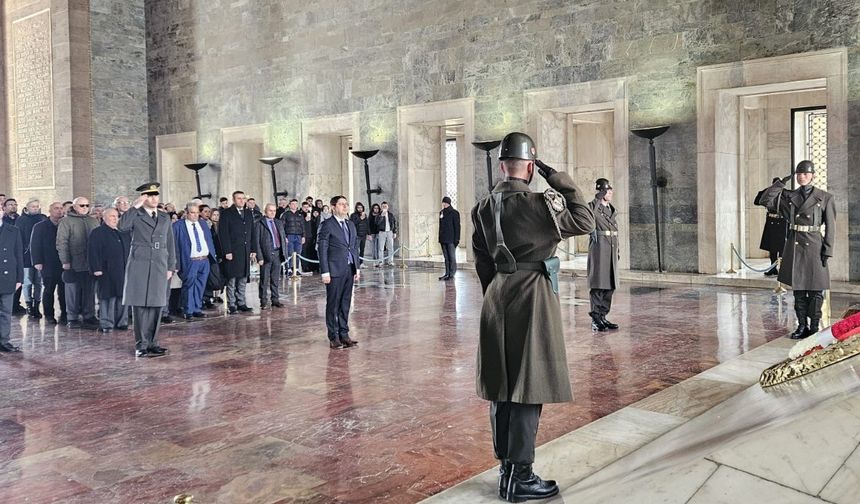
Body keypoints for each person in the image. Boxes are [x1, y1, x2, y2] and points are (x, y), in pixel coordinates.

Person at [471, 132, 594, 501]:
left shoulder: (482, 207)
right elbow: (585, 220)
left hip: (497, 296)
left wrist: (497, 294)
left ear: (501, 166)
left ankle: (506, 470)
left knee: (501, 387)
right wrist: (555, 176)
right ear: (529, 167)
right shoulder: (539, 203)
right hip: (533, 296)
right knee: (528, 386)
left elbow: (481, 262)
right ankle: (521, 477)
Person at [755, 160, 835, 339]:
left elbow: (831, 227)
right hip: (795, 244)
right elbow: (764, 200)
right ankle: (802, 326)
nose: (802, 177)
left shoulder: (825, 197)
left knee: (815, 289)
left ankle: (814, 326)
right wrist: (780, 183)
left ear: (813, 175)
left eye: (805, 174)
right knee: (798, 290)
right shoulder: (789, 196)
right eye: (799, 174)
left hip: (815, 245)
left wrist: (828, 250)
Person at [120, 182, 176, 358]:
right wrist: (134, 206)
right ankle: (141, 345)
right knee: (140, 306)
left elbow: (170, 243)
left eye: (155, 195)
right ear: (143, 198)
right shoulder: (135, 214)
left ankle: (153, 343)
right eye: (149, 196)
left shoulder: (164, 217)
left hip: (159, 264)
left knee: (157, 305)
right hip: (140, 264)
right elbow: (122, 226)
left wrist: (171, 266)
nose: (153, 199)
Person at [319, 195, 360, 349]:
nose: (345, 206)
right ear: (333, 207)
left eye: (346, 204)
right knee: (333, 304)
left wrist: (356, 267)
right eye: (341, 204)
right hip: (334, 270)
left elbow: (354, 247)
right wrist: (325, 272)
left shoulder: (350, 224)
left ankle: (344, 334)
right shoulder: (327, 225)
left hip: (349, 269)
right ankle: (333, 336)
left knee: (345, 303)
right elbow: (322, 249)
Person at [56, 197, 100, 329]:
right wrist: (65, 261)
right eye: (82, 205)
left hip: (90, 263)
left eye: (87, 205)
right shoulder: (66, 221)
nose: (85, 208)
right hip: (73, 262)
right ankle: (72, 317)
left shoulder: (93, 221)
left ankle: (89, 315)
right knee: (72, 291)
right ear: (74, 207)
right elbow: (62, 242)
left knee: (89, 291)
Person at [87, 208, 131, 333]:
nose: (115, 219)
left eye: (117, 216)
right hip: (106, 271)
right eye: (112, 216)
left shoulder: (123, 232)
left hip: (123, 270)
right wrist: (96, 268)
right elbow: (93, 252)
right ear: (104, 217)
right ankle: (106, 323)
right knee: (107, 297)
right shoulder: (97, 232)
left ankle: (122, 322)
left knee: (122, 296)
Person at [587, 178, 620, 332]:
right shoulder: (594, 207)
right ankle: (595, 319)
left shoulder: (611, 210)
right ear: (601, 192)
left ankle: (603, 316)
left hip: (611, 251)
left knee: (609, 286)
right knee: (598, 285)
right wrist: (597, 199)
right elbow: (588, 214)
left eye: (611, 190)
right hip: (599, 251)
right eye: (607, 191)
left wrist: (617, 251)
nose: (610, 193)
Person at [173, 203, 217, 320]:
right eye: (192, 213)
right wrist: (176, 263)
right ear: (186, 213)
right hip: (190, 261)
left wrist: (212, 255)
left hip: (204, 260)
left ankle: (197, 309)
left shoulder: (202, 224)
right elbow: (174, 246)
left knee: (200, 285)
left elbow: (208, 240)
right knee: (189, 285)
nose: (195, 215)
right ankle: (188, 310)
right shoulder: (178, 226)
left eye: (197, 213)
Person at [219, 190, 256, 314]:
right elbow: (223, 234)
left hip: (245, 251)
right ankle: (232, 304)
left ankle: (241, 302)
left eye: (243, 198)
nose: (241, 200)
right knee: (232, 278)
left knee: (243, 278)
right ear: (234, 200)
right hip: (233, 251)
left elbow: (252, 232)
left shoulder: (248, 213)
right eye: (239, 198)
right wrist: (227, 251)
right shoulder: (226, 213)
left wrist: (253, 249)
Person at [31, 202, 67, 325]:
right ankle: (49, 315)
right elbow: (35, 244)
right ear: (50, 210)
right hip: (48, 263)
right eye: (56, 208)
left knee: (64, 290)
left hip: (63, 262)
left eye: (61, 208)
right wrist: (37, 261)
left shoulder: (66, 224)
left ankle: (65, 314)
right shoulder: (40, 226)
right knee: (49, 290)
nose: (59, 210)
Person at [17, 199, 47, 319]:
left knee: (39, 282)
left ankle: (36, 305)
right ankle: (29, 305)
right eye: (33, 206)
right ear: (27, 207)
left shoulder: (43, 218)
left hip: (40, 255)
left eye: (37, 206)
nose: (35, 208)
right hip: (26, 256)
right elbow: (18, 237)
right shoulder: (21, 220)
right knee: (27, 282)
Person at [255, 203, 287, 309]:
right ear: (265, 211)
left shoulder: (278, 222)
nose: (273, 213)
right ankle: (263, 301)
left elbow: (282, 237)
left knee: (275, 279)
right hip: (266, 255)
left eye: (274, 211)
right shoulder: (259, 223)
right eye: (270, 210)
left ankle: (275, 299)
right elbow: (257, 242)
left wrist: (284, 253)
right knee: (264, 279)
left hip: (277, 253)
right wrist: (259, 257)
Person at [754, 177, 788, 276]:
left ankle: (782, 269)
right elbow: (756, 201)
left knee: (782, 248)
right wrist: (767, 191)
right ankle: (773, 268)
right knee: (772, 248)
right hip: (771, 221)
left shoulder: (786, 193)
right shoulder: (767, 193)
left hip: (782, 221)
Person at [0, 215, 23, 353]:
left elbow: (19, 255)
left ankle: (3, 341)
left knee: (6, 311)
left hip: (8, 276)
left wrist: (20, 278)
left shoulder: (13, 230)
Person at [280, 199, 306, 275]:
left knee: (298, 253)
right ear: (289, 205)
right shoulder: (285, 214)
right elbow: (282, 226)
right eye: (293, 204)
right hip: (289, 236)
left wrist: (303, 236)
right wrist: (284, 237)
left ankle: (296, 269)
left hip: (298, 236)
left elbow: (303, 226)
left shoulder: (300, 214)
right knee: (289, 253)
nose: (294, 205)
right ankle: (288, 269)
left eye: (296, 204)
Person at [438, 196, 461, 280]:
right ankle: (447, 273)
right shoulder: (441, 212)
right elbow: (440, 226)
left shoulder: (454, 213)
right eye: (443, 203)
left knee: (452, 257)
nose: (443, 204)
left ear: (448, 203)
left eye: (445, 203)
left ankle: (452, 273)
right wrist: (440, 238)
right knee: (446, 257)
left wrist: (457, 239)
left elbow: (457, 227)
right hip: (443, 238)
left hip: (451, 239)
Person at [374, 201, 397, 267]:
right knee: (381, 248)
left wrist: (394, 232)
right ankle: (381, 261)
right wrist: (381, 216)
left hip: (390, 232)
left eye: (385, 206)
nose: (384, 207)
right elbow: (377, 223)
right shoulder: (378, 215)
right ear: (381, 207)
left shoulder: (390, 215)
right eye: (383, 206)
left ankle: (390, 261)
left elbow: (394, 223)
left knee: (390, 247)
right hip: (382, 232)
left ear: (387, 207)